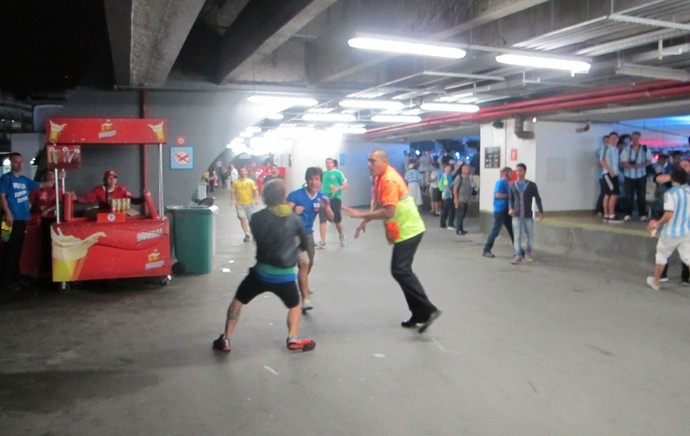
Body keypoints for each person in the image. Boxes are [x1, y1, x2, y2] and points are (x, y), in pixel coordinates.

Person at [212, 179, 316, 353]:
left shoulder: (256, 218)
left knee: (238, 301)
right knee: (295, 305)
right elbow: (304, 244)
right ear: (284, 196)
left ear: (265, 197)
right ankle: (292, 337)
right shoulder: (295, 219)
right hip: (285, 276)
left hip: (261, 274)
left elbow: (259, 238)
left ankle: (226, 339)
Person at [343, 149, 441, 334]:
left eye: (372, 161)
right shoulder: (381, 177)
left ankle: (428, 309)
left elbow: (389, 212)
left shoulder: (389, 179)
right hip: (402, 230)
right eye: (368, 161)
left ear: (383, 162)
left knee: (401, 270)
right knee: (400, 271)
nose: (369, 165)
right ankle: (419, 313)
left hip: (409, 230)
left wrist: (361, 214)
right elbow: (382, 204)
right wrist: (365, 221)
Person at [0, 153, 55, 296]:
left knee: (17, 249)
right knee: (8, 249)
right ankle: (7, 282)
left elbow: (43, 184)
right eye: (16, 162)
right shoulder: (6, 178)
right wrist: (8, 213)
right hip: (8, 220)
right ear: (11, 163)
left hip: (22, 219)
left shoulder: (24, 180)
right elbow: (2, 197)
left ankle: (15, 278)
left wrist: (58, 177)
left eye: (21, 162)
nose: (19, 165)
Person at [287, 167, 333, 312]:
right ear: (306, 180)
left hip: (308, 235)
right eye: (311, 179)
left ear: (320, 181)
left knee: (310, 263)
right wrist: (293, 211)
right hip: (294, 234)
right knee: (304, 264)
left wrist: (326, 207)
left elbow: (332, 218)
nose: (314, 182)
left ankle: (303, 283)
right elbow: (284, 213)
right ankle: (305, 298)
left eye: (317, 179)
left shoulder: (322, 197)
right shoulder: (295, 195)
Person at [646, 167, 690, 291]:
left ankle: (656, 281)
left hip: (671, 232)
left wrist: (658, 225)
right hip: (686, 230)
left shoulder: (670, 194)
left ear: (672, 178)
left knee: (661, 256)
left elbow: (668, 214)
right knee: (688, 257)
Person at [508, 163, 544, 264]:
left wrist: (540, 210)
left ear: (524, 171)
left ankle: (528, 252)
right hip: (516, 215)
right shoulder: (513, 186)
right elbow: (510, 199)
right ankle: (518, 254)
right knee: (517, 236)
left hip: (528, 215)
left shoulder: (531, 185)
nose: (518, 172)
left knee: (530, 235)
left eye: (520, 170)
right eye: (517, 170)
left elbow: (537, 198)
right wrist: (510, 208)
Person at [30, 170, 63, 277]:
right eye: (49, 174)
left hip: (53, 219)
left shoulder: (57, 189)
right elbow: (30, 203)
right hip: (37, 219)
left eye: (53, 174)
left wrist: (48, 210)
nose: (51, 176)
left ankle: (50, 267)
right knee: (38, 244)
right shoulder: (36, 189)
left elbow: (60, 203)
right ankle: (39, 268)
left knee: (51, 243)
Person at [482, 167, 514, 258]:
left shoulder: (507, 183)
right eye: (510, 173)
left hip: (506, 209)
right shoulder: (500, 182)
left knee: (512, 230)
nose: (512, 175)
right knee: (495, 230)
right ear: (505, 173)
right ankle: (486, 249)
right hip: (500, 210)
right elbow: (498, 194)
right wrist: (509, 195)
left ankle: (518, 250)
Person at [620, 131, 652, 222]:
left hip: (641, 175)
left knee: (641, 196)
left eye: (637, 138)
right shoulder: (626, 149)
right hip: (629, 176)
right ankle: (627, 214)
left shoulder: (645, 148)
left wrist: (641, 165)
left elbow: (649, 160)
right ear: (631, 139)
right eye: (633, 138)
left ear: (639, 138)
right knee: (629, 196)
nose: (635, 140)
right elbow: (623, 162)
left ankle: (642, 214)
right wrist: (630, 166)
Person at [75, 169, 143, 211]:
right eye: (109, 178)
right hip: (103, 216)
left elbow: (133, 200)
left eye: (114, 178)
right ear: (105, 180)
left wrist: (143, 198)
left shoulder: (121, 189)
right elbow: (87, 199)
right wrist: (76, 198)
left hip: (119, 216)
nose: (112, 180)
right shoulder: (99, 190)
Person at [318, 157, 348, 248]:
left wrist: (337, 188)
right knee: (322, 219)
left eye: (330, 163)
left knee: (337, 220)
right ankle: (322, 241)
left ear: (333, 164)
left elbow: (346, 184)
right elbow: (319, 185)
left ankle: (341, 236)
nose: (328, 164)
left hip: (335, 198)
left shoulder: (338, 173)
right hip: (324, 199)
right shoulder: (323, 174)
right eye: (327, 162)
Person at [230, 167, 259, 242]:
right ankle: (247, 234)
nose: (243, 172)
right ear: (239, 173)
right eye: (241, 171)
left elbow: (255, 190)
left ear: (246, 172)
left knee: (251, 220)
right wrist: (233, 200)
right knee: (242, 218)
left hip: (249, 203)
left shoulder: (250, 181)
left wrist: (256, 199)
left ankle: (253, 232)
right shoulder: (235, 182)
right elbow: (233, 192)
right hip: (239, 204)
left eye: (244, 171)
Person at [599, 131, 622, 223]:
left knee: (607, 194)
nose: (614, 140)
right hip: (609, 174)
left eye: (615, 138)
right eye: (612, 138)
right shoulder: (606, 148)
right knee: (613, 194)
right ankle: (611, 215)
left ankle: (607, 215)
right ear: (609, 139)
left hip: (614, 174)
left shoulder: (616, 150)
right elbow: (602, 160)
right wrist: (610, 171)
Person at [453, 163, 474, 235]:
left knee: (463, 215)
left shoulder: (468, 178)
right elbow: (455, 188)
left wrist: (469, 198)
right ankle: (458, 229)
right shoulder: (459, 177)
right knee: (460, 215)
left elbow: (469, 189)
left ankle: (461, 229)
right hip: (460, 199)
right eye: (465, 169)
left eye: (467, 169)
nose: (467, 170)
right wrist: (456, 199)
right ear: (462, 170)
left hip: (465, 199)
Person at [438, 163, 455, 229]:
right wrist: (450, 192)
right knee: (451, 210)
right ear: (444, 168)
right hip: (447, 194)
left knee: (445, 210)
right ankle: (450, 225)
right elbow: (446, 185)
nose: (449, 168)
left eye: (450, 167)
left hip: (445, 194)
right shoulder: (445, 176)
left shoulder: (448, 175)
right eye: (448, 167)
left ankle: (442, 224)